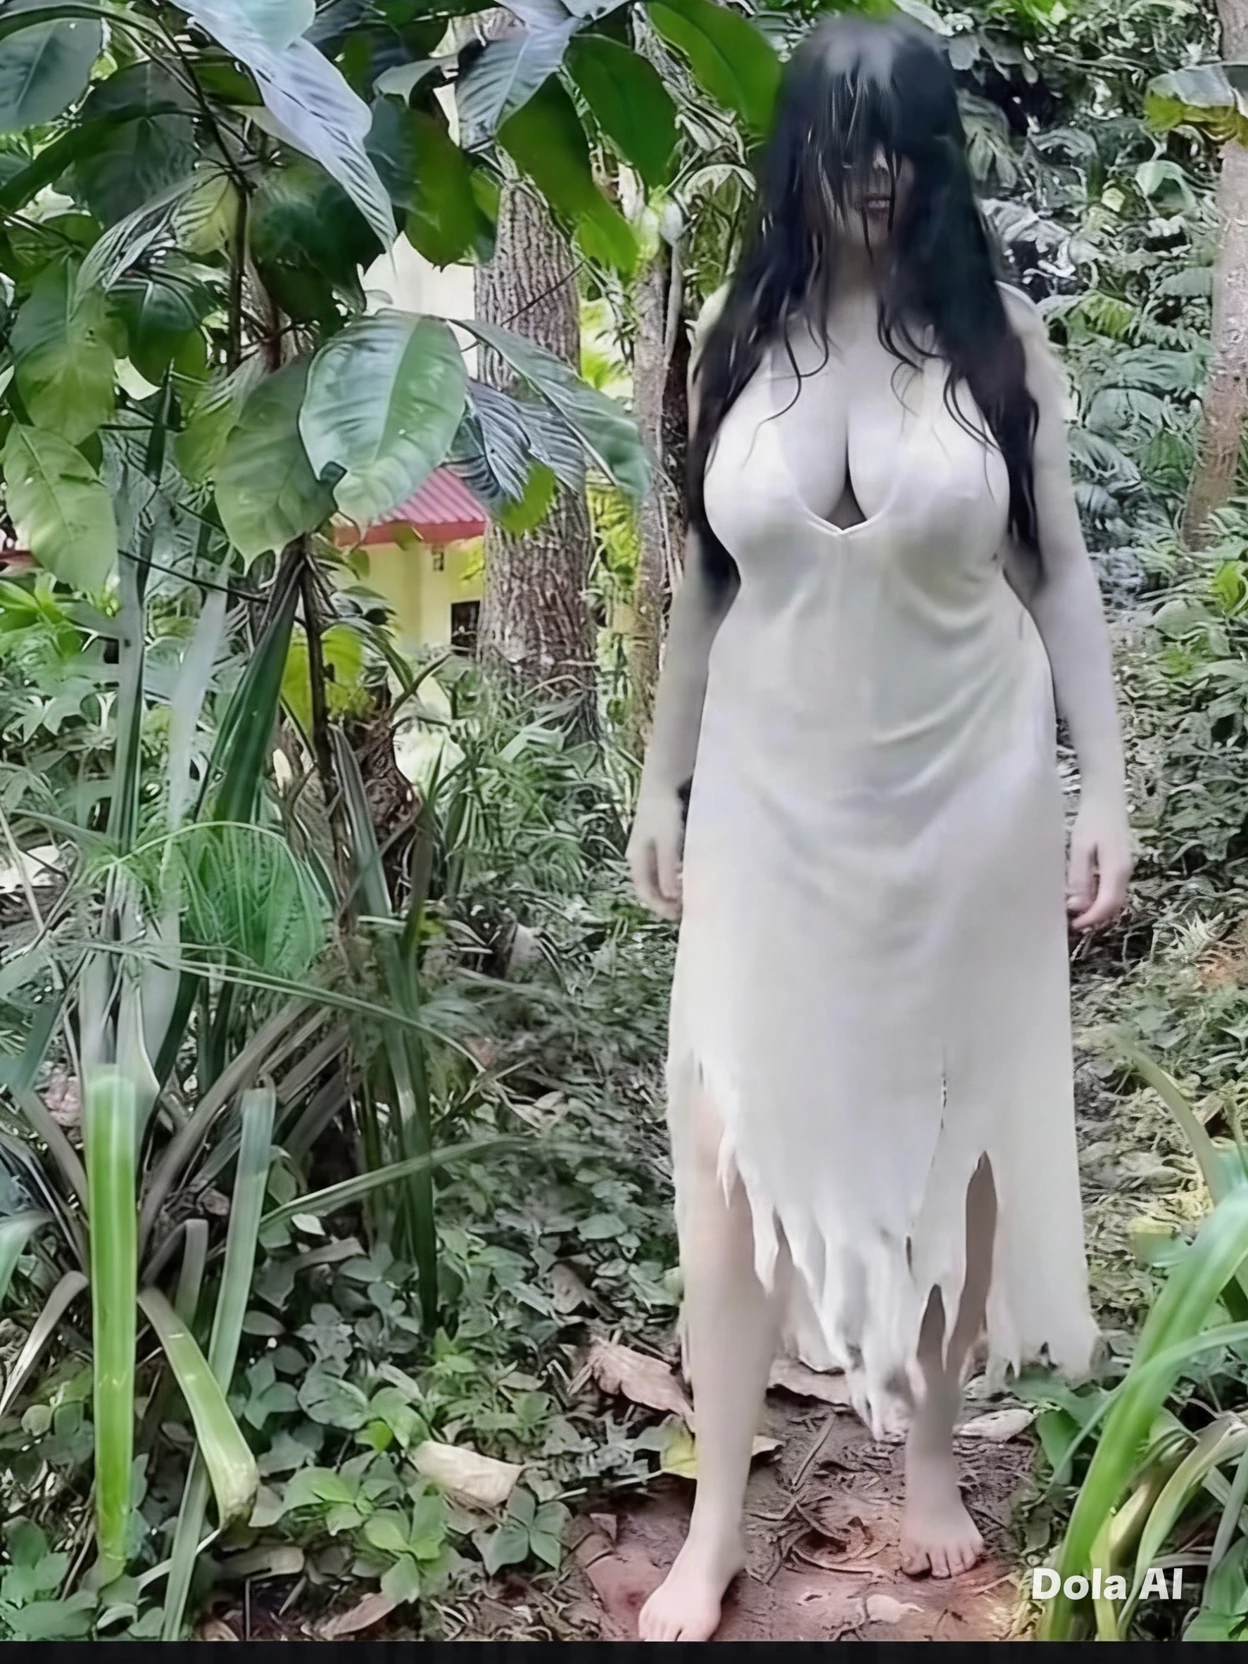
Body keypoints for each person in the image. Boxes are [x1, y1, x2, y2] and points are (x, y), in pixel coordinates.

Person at [626, 13, 1133, 1645]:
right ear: (798, 151)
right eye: (845, 140)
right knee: (723, 1140)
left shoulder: (999, 337)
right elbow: (705, 588)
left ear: (934, 159)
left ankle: (927, 1457)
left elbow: (1059, 574)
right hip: (770, 798)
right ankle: (716, 1523)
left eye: (903, 141)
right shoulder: (737, 335)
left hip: (968, 788)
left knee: (953, 1127)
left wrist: (1109, 784)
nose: (872, 173)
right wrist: (662, 783)